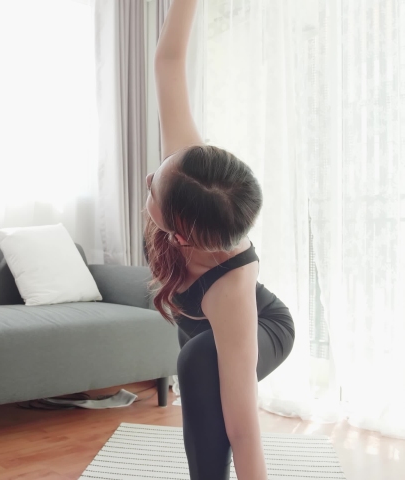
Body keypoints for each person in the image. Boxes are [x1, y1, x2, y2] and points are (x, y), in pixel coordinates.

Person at [146, 0, 295, 479]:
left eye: (154, 186)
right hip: (204, 328)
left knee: (200, 368)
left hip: (262, 325)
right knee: (197, 367)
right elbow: (167, 63)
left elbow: (245, 427)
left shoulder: (231, 286)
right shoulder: (191, 174)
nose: (152, 174)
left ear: (181, 231)